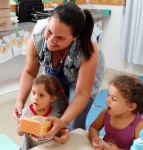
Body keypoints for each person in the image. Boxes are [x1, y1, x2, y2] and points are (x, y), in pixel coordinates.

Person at [13, 2, 105, 138]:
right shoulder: (37, 35)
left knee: (73, 124)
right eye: (49, 31)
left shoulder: (88, 47)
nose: (51, 40)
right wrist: (20, 101)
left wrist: (63, 121)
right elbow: (29, 72)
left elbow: (82, 93)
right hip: (55, 74)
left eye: (60, 38)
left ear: (75, 38)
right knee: (52, 114)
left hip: (82, 80)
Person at [89, 75, 143, 150]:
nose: (108, 100)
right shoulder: (106, 113)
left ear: (131, 107)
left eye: (114, 99)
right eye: (108, 95)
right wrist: (94, 139)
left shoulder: (139, 125)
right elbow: (94, 127)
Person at [17, 75, 69, 149]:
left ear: (52, 98)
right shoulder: (27, 111)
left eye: (41, 95)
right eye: (33, 93)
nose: (35, 98)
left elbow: (63, 131)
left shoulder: (56, 113)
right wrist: (23, 124)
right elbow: (19, 133)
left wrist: (64, 137)